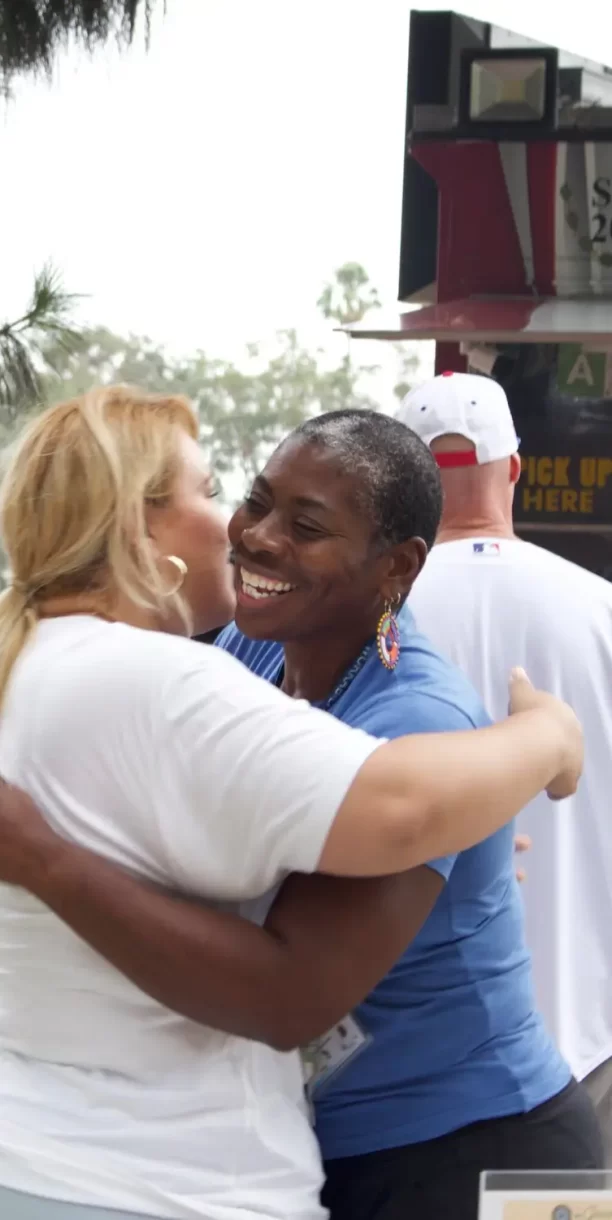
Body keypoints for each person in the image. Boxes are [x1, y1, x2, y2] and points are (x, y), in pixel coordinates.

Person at [0, 406, 595, 1220]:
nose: (258, 535)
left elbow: (299, 978)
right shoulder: (247, 649)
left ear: (396, 568)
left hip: (479, 1142)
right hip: (335, 1146)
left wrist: (545, 739)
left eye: (308, 526)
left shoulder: (421, 716)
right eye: (255, 498)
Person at [398, 370, 612, 1161]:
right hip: (591, 1044)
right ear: (515, 469)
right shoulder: (601, 611)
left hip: (415, 1058)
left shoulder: (369, 618)